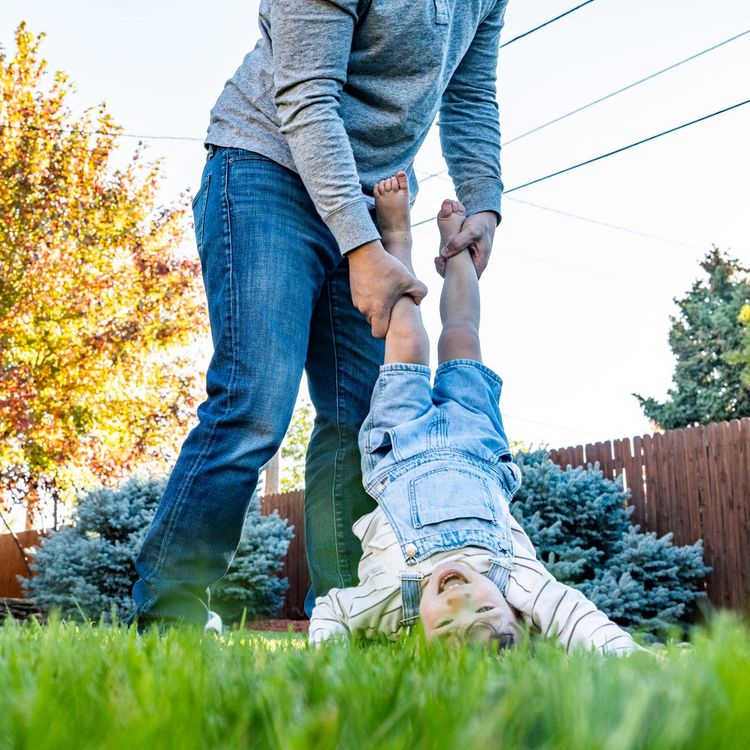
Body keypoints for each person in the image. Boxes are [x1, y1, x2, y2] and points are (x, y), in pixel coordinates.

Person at [130, 0, 511, 629]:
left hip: (371, 195)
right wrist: (362, 247)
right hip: (266, 169)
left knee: (370, 416)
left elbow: (470, 96)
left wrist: (483, 205)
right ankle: (169, 617)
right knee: (254, 402)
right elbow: (307, 97)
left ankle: (352, 619)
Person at [309, 174, 643, 655]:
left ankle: (396, 238)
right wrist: (633, 660)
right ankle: (458, 252)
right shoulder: (521, 586)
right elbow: (580, 620)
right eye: (485, 610)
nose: (459, 599)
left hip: (399, 448)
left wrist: (328, 663)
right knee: (463, 337)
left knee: (408, 338)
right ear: (521, 618)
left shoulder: (385, 604)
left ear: (416, 639)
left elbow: (332, 610)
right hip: (475, 444)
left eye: (445, 626)